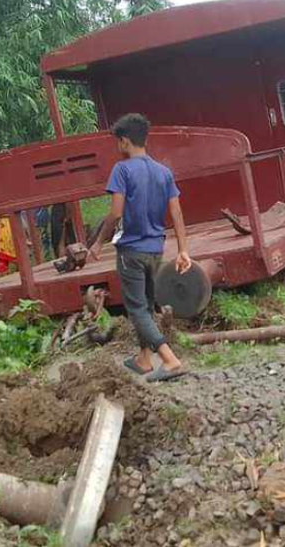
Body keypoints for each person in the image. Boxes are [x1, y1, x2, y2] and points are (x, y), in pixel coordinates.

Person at [90, 113, 192, 383]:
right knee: (146, 305)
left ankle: (169, 360)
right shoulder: (163, 172)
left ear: (124, 141)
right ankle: (144, 360)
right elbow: (177, 213)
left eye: (118, 142)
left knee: (136, 309)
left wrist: (98, 243)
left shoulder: (122, 170)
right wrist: (183, 250)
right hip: (155, 250)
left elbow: (115, 213)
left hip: (131, 251)